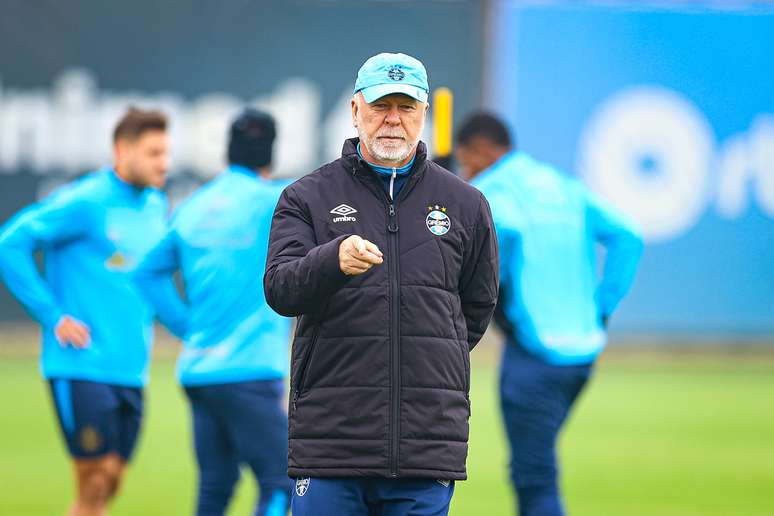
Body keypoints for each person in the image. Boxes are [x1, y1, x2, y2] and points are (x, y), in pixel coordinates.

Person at [263, 52, 499, 516]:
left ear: (424, 113)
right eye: (381, 105)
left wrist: (427, 355)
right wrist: (332, 260)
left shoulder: (466, 204)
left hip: (425, 445)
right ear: (355, 110)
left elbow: (475, 308)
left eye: (406, 107)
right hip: (331, 443)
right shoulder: (306, 196)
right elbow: (281, 289)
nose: (393, 120)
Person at [455, 112, 644, 516]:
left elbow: (502, 233)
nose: (465, 172)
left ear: (482, 152)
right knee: (535, 464)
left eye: (466, 162)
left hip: (535, 355)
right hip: (584, 353)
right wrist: (602, 309)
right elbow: (629, 236)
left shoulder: (488, 191)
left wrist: (484, 288)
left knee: (534, 476)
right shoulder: (562, 186)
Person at [0, 108, 170, 516]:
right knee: (94, 482)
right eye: (153, 153)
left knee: (110, 481)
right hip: (81, 365)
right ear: (121, 150)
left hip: (131, 368)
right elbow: (10, 244)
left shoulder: (155, 205)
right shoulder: (85, 201)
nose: (163, 163)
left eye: (166, 153)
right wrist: (53, 315)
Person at [133, 108, 294, 516]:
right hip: (250, 371)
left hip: (199, 372)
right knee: (282, 482)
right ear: (271, 154)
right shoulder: (275, 201)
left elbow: (147, 273)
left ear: (228, 150)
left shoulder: (193, 206)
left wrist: (186, 327)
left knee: (216, 488)